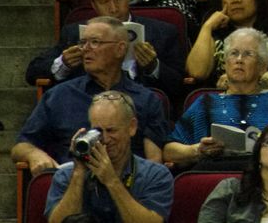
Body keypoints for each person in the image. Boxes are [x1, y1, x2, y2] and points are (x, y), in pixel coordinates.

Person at [13, 16, 169, 175]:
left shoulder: (146, 100)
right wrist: (34, 154)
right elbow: (21, 145)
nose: (86, 49)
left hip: (127, 182)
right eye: (83, 43)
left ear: (120, 49)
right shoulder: (59, 95)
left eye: (95, 42)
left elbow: (154, 163)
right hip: (71, 180)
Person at [25, 0, 185, 100]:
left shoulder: (162, 32)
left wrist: (153, 67)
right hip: (87, 107)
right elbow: (33, 73)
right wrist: (63, 63)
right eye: (104, 2)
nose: (113, 8)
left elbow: (180, 86)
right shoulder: (74, 34)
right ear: (93, 4)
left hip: (141, 108)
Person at [164, 28, 268, 169]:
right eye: (234, 53)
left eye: (248, 54)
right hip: (215, 176)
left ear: (262, 66)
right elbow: (169, 151)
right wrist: (197, 150)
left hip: (267, 176)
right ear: (225, 64)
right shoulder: (205, 102)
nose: (239, 60)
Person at [44, 91, 173, 223]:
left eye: (111, 130)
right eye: (98, 131)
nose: (105, 139)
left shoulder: (155, 175)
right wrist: (79, 173)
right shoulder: (67, 175)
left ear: (132, 127)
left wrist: (112, 181)